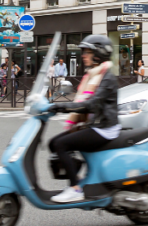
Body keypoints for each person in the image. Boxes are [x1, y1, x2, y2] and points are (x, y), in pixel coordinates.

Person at [46, 35, 121, 203]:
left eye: (87, 52)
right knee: (53, 143)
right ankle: (78, 178)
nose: (83, 55)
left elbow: (91, 104)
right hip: (95, 125)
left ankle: (75, 188)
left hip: (104, 128)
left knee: (61, 144)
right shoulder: (93, 76)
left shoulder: (106, 78)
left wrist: (62, 107)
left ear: (99, 54)